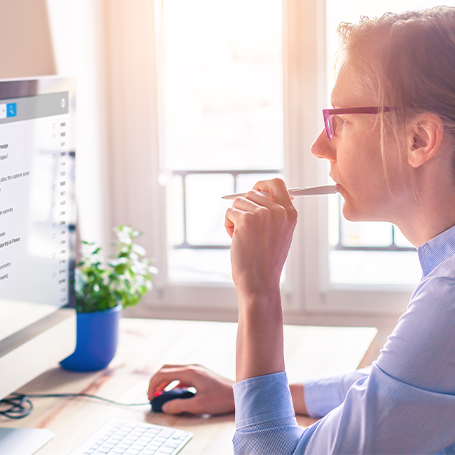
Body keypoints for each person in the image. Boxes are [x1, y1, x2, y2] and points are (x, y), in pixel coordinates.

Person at [148, 6, 455, 453]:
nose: (319, 145)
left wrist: (259, 292)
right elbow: (400, 387)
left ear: (419, 139)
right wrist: (245, 392)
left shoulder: (448, 299)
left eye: (341, 122)